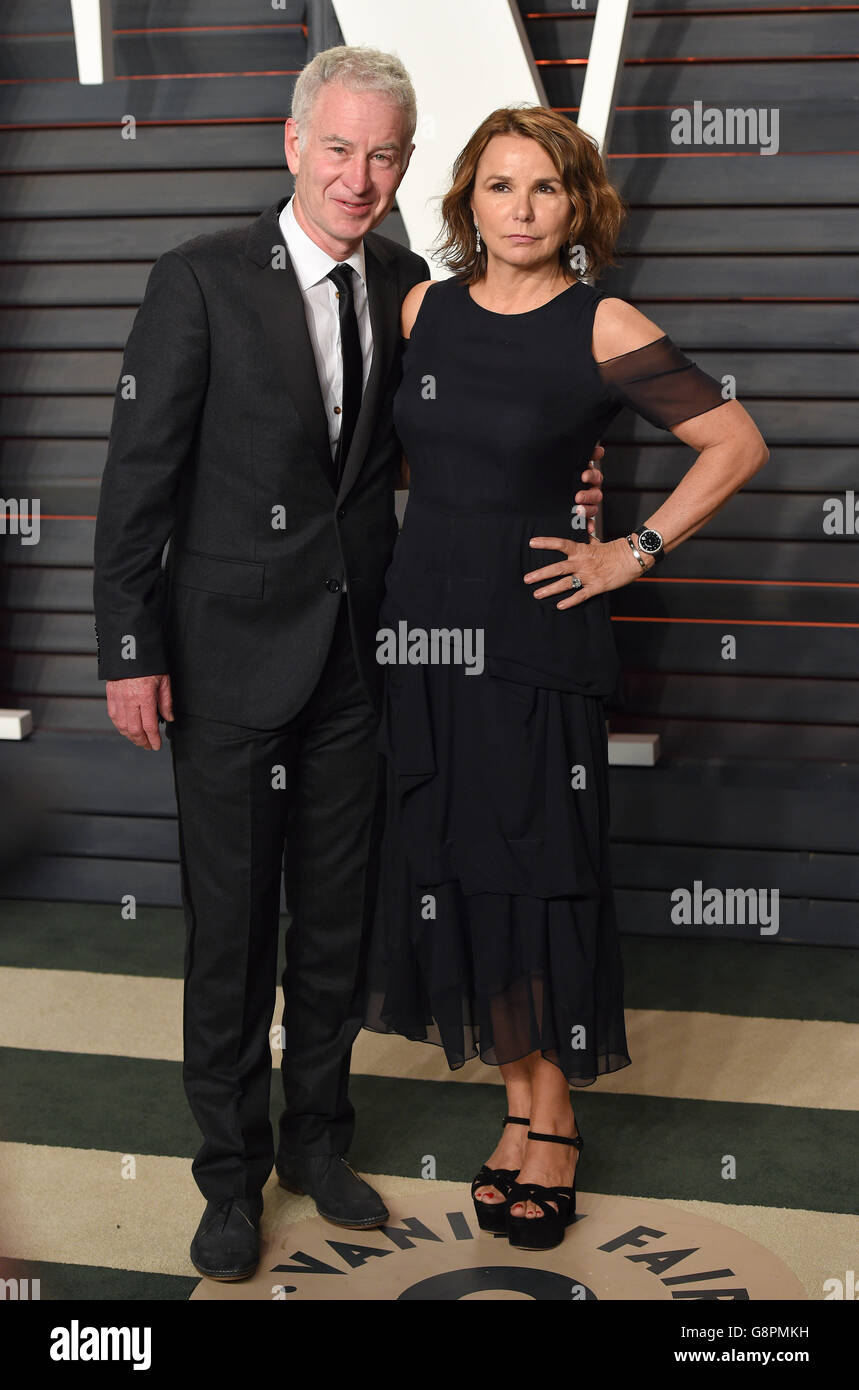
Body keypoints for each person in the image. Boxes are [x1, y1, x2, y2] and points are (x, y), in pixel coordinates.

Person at [92, 52, 607, 1281]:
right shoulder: (198, 279)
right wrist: (129, 648)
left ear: (405, 165)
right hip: (220, 665)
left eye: (384, 154)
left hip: (363, 661)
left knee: (336, 925)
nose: (359, 176)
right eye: (338, 148)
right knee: (231, 935)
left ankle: (319, 1142)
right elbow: (135, 482)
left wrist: (562, 483)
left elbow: (437, 447)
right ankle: (229, 1177)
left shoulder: (411, 284)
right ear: (292, 145)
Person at [363, 104, 769, 1251]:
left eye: (544, 188)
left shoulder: (602, 324)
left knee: (538, 867)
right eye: (500, 187)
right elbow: (414, 450)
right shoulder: (421, 309)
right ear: (468, 203)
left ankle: (555, 1121)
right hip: (422, 633)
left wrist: (627, 550)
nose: (522, 209)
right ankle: (515, 1101)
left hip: (534, 641)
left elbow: (734, 442)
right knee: (457, 864)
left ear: (576, 204)